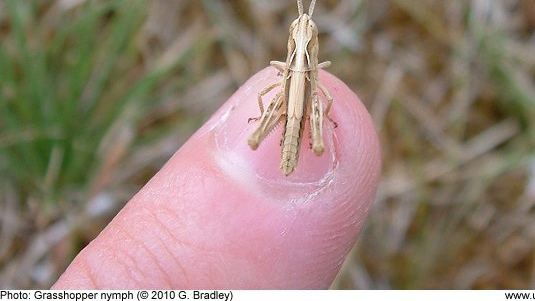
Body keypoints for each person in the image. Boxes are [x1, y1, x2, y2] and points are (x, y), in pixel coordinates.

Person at [52, 68, 381, 289]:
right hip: (289, 99)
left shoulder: (293, 71)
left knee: (300, 102)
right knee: (276, 112)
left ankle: (301, 149)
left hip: (300, 99)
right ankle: (260, 148)